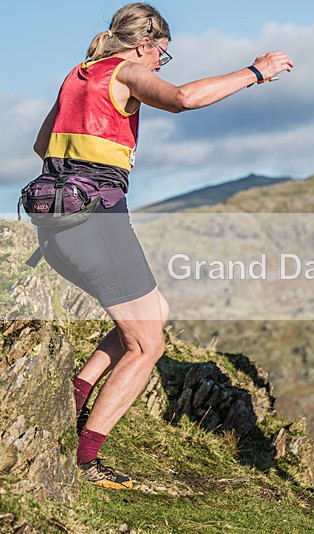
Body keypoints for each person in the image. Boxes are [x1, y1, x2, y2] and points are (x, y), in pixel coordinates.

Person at [31, 2, 293, 489]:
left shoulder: (79, 74)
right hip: (94, 222)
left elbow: (42, 142)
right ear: (144, 44)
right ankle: (84, 459)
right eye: (161, 55)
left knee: (155, 309)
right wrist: (257, 71)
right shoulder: (126, 71)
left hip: (53, 222)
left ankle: (74, 396)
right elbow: (183, 99)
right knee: (148, 344)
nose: (158, 65)